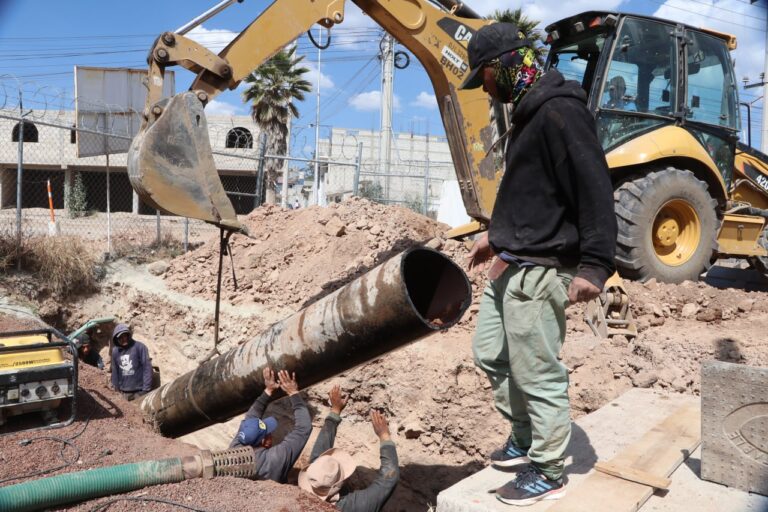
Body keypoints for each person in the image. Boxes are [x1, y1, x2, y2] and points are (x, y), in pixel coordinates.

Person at [460, 23, 617, 506]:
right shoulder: (529, 115)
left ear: (501, 66)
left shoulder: (560, 112)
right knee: (489, 353)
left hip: (542, 270)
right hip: (514, 260)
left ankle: (549, 469)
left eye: (483, 77)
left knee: (537, 372)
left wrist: (594, 266)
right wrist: (495, 237)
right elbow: (532, 195)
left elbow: (594, 190)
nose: (483, 87)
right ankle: (526, 435)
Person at [299, 385, 399, 511]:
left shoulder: (301, 499)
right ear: (338, 484)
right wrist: (384, 435)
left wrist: (334, 412)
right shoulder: (354, 506)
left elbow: (317, 457)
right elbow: (388, 480)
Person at [230, 367, 311, 484]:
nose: (271, 434)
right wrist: (293, 393)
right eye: (268, 432)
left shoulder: (236, 446)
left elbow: (251, 416)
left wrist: (268, 390)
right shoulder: (274, 460)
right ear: (264, 441)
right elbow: (304, 428)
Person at [110, 323, 154, 401]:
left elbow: (147, 368)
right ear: (116, 339)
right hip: (123, 393)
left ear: (128, 335)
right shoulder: (115, 352)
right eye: (121, 337)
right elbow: (115, 372)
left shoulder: (140, 347)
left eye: (125, 336)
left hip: (139, 391)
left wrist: (145, 390)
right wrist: (116, 391)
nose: (124, 339)